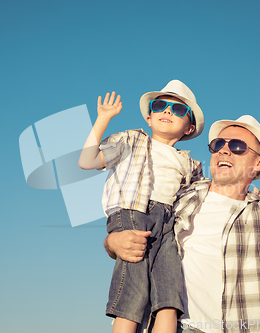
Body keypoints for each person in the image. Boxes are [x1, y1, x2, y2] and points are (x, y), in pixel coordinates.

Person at [105, 114, 260, 333]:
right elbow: (137, 219)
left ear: (259, 164)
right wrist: (111, 242)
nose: (224, 150)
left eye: (237, 146)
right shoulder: (180, 195)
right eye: (218, 145)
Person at [79, 80, 205, 333]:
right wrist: (103, 118)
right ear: (149, 118)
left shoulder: (191, 164)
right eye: (160, 105)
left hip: (169, 225)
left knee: (170, 296)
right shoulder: (130, 140)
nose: (167, 111)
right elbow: (86, 160)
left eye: (178, 110)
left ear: (189, 128)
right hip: (133, 214)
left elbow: (210, 197)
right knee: (133, 291)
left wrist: (258, 196)